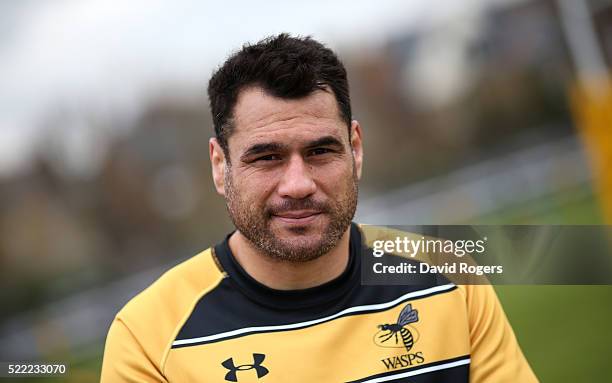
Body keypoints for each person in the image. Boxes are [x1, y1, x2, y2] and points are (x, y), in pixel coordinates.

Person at [100, 34, 537, 382]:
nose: (298, 184)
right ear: (221, 166)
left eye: (320, 151)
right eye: (266, 157)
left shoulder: (448, 277)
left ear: (356, 150)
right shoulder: (147, 339)